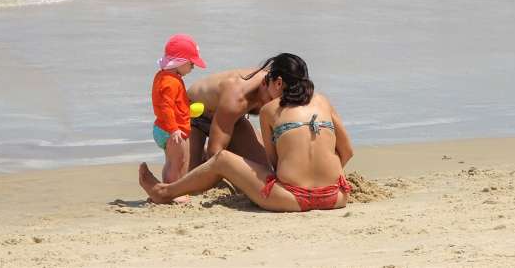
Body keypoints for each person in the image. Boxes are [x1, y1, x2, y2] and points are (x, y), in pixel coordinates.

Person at [139, 53, 354, 212]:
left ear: (277, 82)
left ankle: (163, 192)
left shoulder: (270, 109)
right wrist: (322, 174)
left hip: (292, 199)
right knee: (200, 167)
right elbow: (347, 151)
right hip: (336, 196)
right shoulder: (323, 101)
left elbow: (275, 164)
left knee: (221, 160)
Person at [186, 68, 276, 171]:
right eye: (271, 99)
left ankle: (207, 154)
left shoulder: (281, 91)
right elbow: (215, 153)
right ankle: (204, 154)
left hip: (231, 119)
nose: (275, 104)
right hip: (193, 115)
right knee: (182, 178)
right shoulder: (238, 94)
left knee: (265, 171)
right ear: (264, 83)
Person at [151, 34, 206, 200]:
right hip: (171, 130)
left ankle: (171, 188)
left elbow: (173, 105)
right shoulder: (170, 82)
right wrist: (174, 129)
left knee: (173, 161)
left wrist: (187, 111)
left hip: (166, 128)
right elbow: (165, 107)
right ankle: (172, 192)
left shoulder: (166, 77)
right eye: (191, 63)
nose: (193, 67)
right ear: (180, 62)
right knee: (178, 162)